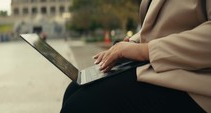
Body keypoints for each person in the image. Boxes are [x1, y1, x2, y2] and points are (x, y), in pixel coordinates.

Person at [60, 0, 211, 113]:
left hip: (195, 83)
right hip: (167, 67)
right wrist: (131, 44)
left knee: (81, 105)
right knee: (74, 90)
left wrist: (143, 50)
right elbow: (165, 26)